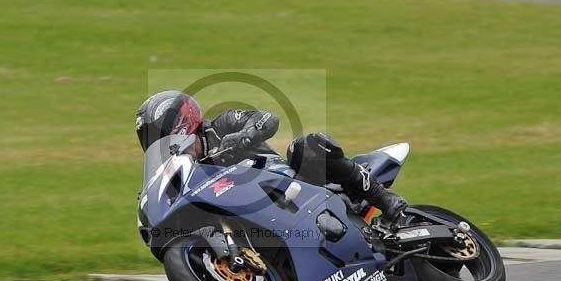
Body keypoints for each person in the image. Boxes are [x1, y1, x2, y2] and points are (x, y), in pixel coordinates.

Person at [135, 90, 407, 222]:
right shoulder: (185, 175)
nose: (160, 144)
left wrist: (243, 136)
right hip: (264, 213)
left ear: (180, 122)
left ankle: (384, 198)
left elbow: (268, 119)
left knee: (307, 145)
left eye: (160, 134)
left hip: (295, 185)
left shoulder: (223, 125)